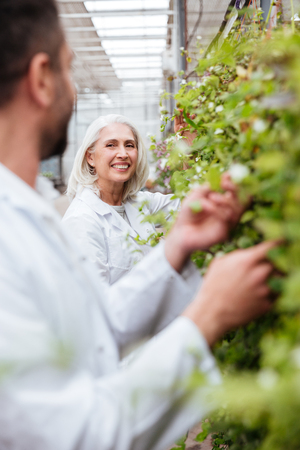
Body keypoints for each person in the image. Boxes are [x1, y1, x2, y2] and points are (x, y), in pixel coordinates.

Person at [0, 1, 275, 449]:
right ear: (40, 78)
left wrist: (174, 249)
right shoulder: (17, 232)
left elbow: (91, 329)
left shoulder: (29, 208)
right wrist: (209, 316)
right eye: (70, 70)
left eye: (129, 144)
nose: (74, 89)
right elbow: (79, 436)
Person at [63, 114, 181, 285]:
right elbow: (96, 304)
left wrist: (187, 146)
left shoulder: (138, 202)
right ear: (90, 157)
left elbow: (191, 205)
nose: (123, 154)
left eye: (129, 145)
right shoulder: (81, 220)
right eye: (111, 145)